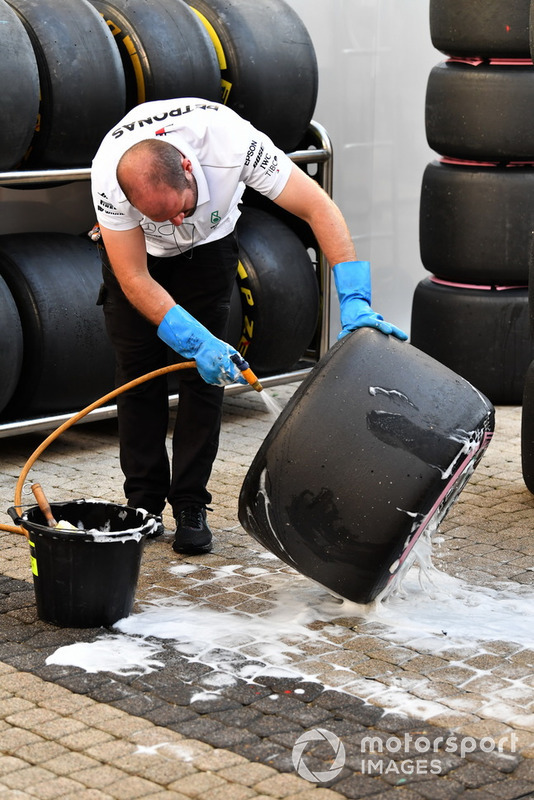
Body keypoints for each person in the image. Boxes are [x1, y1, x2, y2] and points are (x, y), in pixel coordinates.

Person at [91, 97, 407, 556]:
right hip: (141, 264)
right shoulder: (109, 175)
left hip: (210, 253)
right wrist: (193, 339)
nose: (177, 222)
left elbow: (318, 208)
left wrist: (354, 302)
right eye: (162, 217)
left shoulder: (232, 142)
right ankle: (143, 505)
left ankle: (190, 504)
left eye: (181, 208)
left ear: (188, 165)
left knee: (203, 379)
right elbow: (134, 277)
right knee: (137, 376)